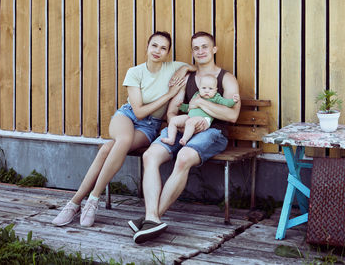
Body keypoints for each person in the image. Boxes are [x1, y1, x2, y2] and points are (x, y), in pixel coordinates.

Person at [52, 31, 194, 227]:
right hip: (127, 116)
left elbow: (194, 67)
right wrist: (169, 94)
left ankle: (76, 202)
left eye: (163, 48)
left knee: (107, 149)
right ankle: (92, 200)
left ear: (168, 53)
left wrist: (184, 68)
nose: (157, 51)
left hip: (149, 126)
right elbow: (139, 111)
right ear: (147, 47)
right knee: (124, 140)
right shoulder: (135, 72)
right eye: (154, 45)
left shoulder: (173, 67)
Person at [129, 31, 241, 244]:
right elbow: (172, 111)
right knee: (150, 156)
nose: (200, 51)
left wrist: (202, 105)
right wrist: (182, 121)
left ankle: (150, 220)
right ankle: (152, 218)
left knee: (183, 158)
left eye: (205, 47)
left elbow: (232, 115)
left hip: (212, 132)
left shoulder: (226, 78)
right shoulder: (187, 77)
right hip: (182, 128)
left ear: (214, 49)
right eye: (196, 48)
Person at [161, 74, 240, 146]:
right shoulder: (197, 95)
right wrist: (181, 106)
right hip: (191, 117)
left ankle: (184, 139)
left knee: (190, 122)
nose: (206, 91)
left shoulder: (216, 97)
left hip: (204, 119)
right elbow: (189, 108)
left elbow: (226, 103)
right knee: (174, 120)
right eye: (204, 88)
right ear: (199, 88)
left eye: (210, 88)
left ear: (215, 90)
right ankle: (171, 139)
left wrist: (233, 101)